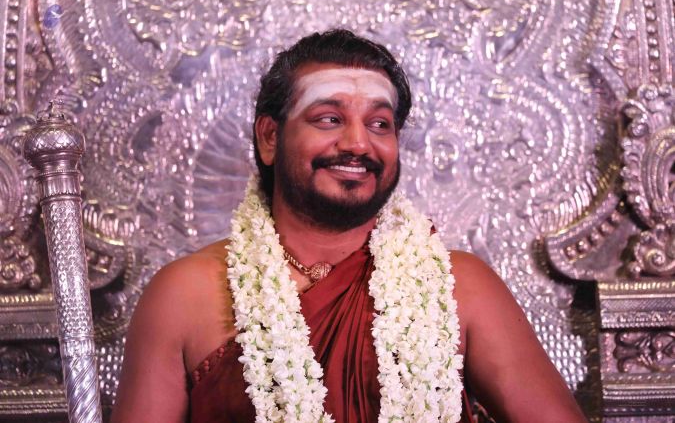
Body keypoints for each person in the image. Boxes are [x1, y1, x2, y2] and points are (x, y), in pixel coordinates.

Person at [111, 29, 587, 423]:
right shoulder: (183, 295)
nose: (358, 143)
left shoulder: (460, 285)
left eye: (380, 124)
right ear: (270, 137)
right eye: (329, 118)